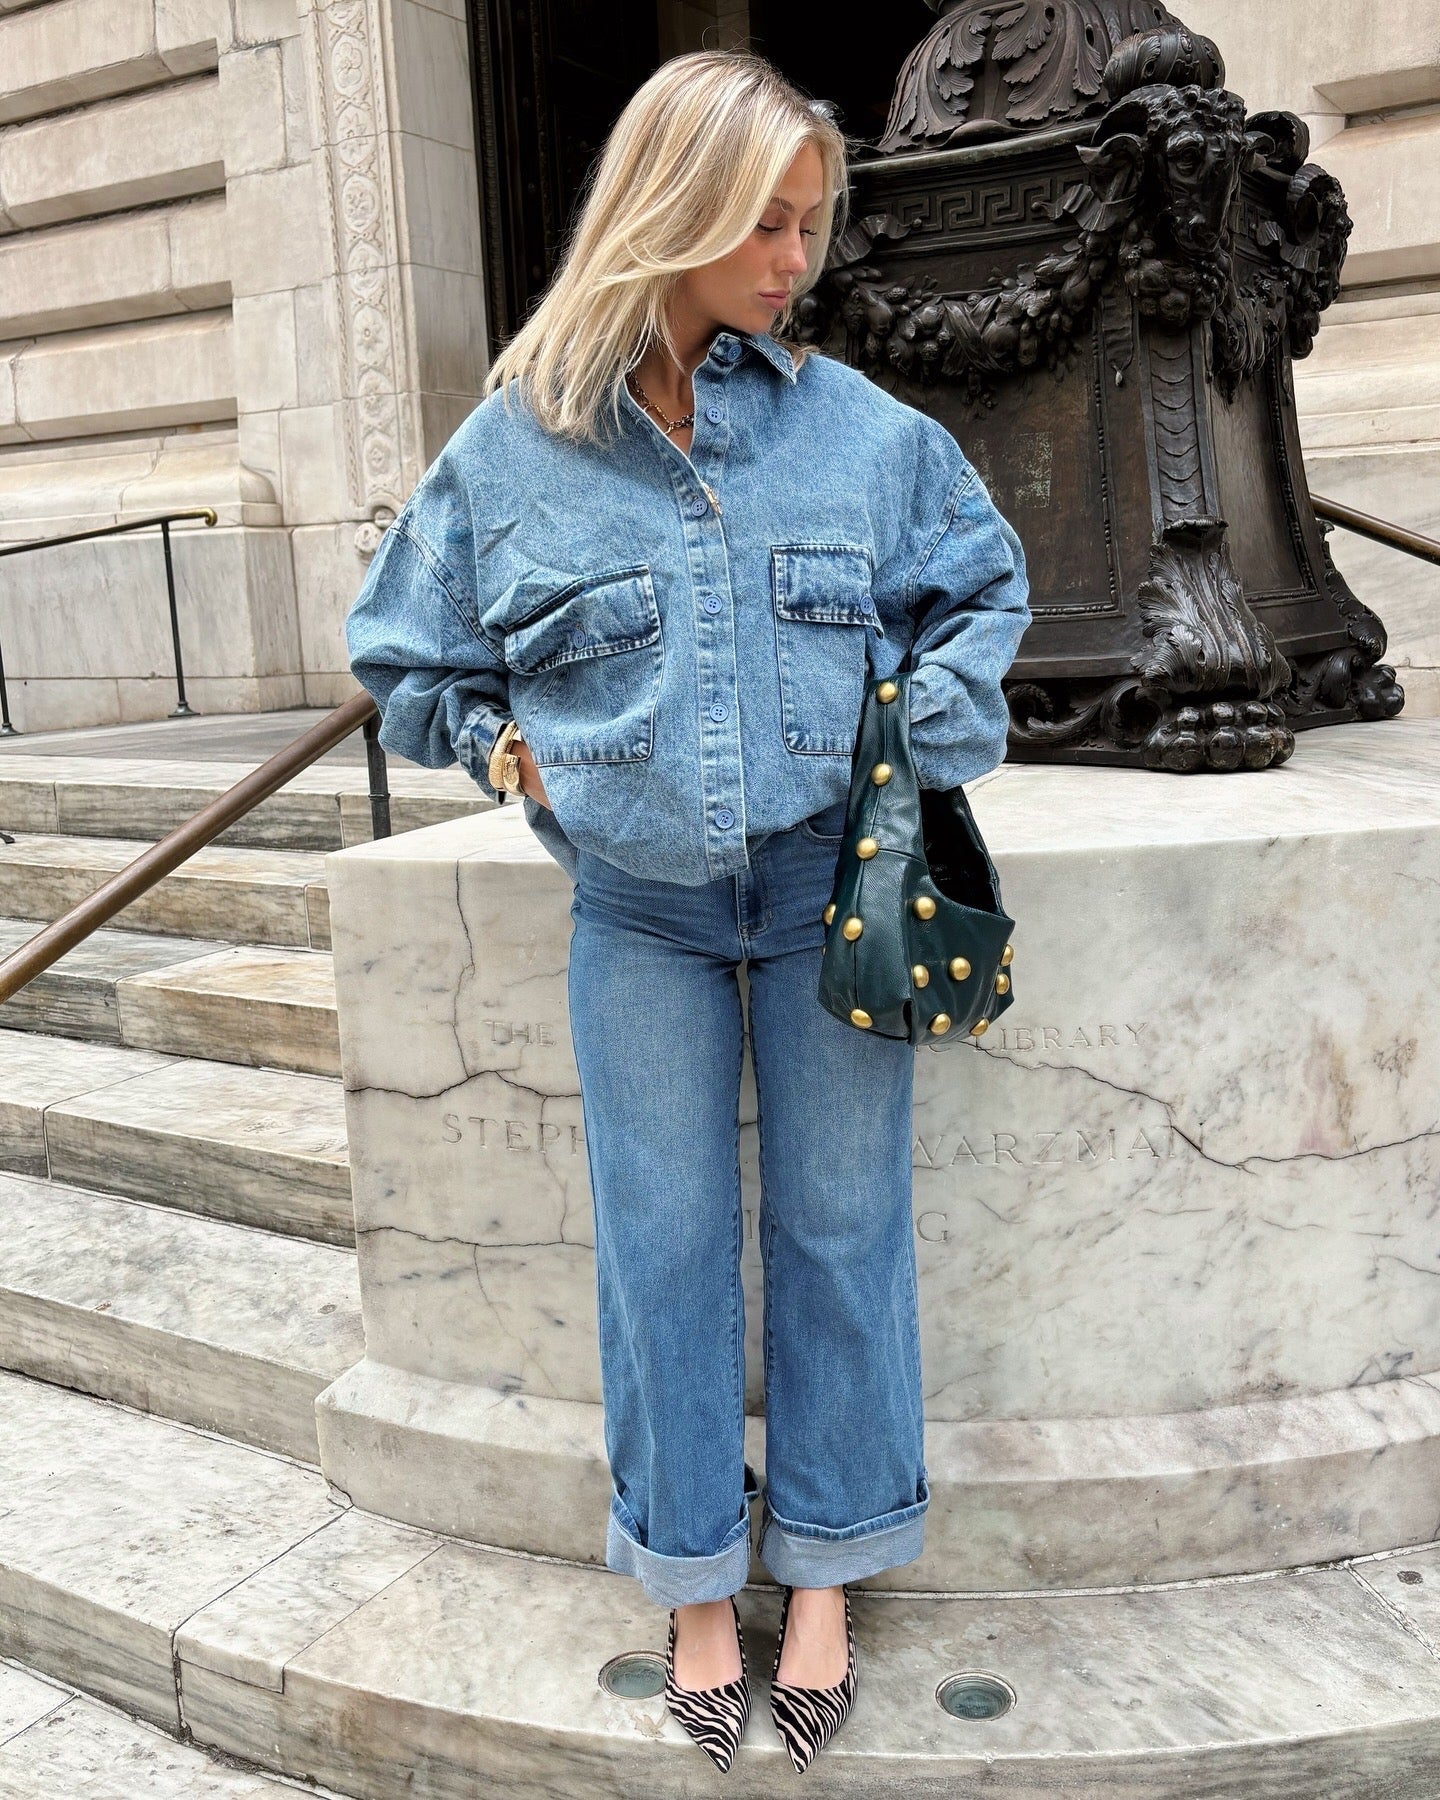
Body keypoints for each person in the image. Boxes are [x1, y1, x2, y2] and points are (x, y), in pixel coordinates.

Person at [344, 48, 1030, 1776]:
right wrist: (520, 762)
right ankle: (692, 1583)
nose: (802, 259)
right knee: (659, 1256)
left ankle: (828, 1571)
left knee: (839, 1230)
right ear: (677, 211)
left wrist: (908, 737)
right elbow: (406, 659)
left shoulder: (857, 435)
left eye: (814, 224)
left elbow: (983, 592)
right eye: (771, 224)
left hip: (823, 899)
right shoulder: (514, 454)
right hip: (636, 912)